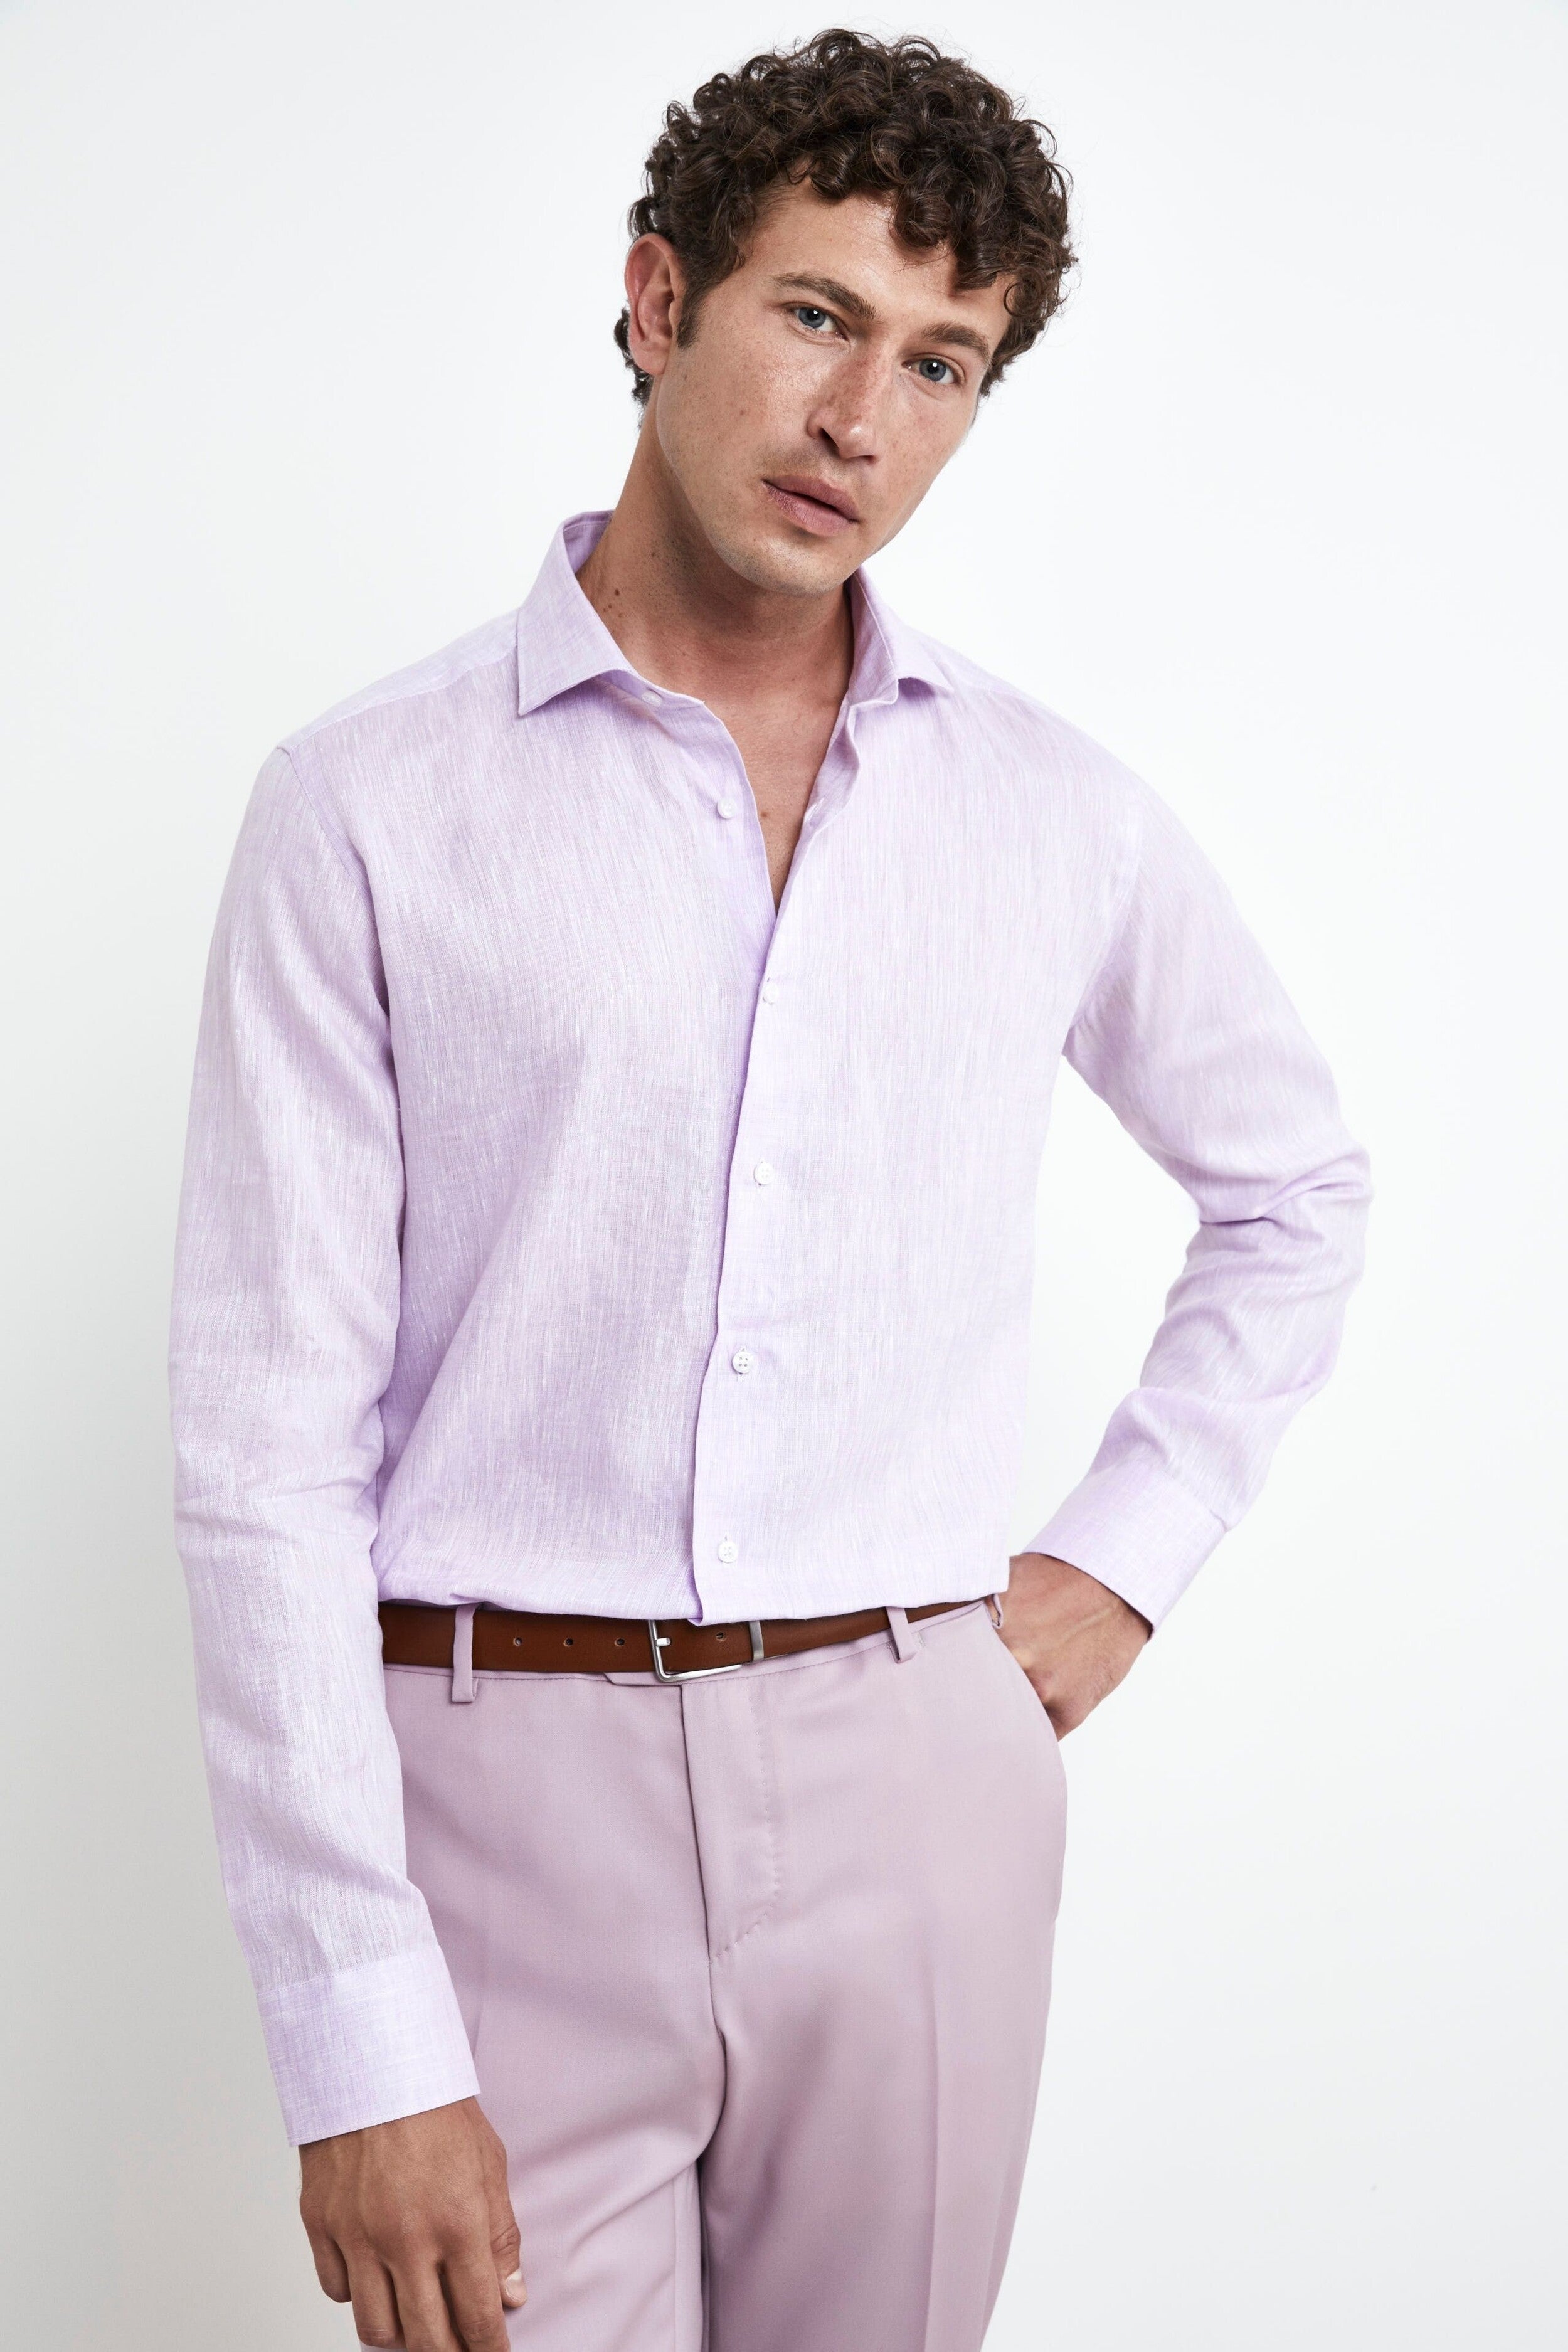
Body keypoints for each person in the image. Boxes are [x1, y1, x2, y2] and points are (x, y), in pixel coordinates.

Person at [169, 28, 1370, 2352]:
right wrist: (355, 2032)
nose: (859, 420)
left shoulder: (1051, 811)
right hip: (503, 1791)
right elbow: (261, 1451)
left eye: (939, 363)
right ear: (658, 300)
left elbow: (1295, 1188)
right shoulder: (367, 805)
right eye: (815, 315)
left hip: (918, 1786)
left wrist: (1122, 1560)